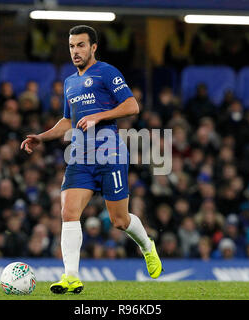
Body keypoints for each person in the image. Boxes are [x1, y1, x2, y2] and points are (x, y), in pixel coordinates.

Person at [21, 25, 163, 294]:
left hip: (110, 153)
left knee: (119, 221)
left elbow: (132, 106)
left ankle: (147, 246)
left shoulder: (107, 72)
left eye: (81, 45)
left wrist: (100, 116)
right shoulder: (69, 82)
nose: (76, 51)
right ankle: (71, 276)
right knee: (68, 212)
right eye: (72, 46)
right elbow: (67, 121)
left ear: (93, 47)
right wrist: (42, 136)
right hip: (80, 157)